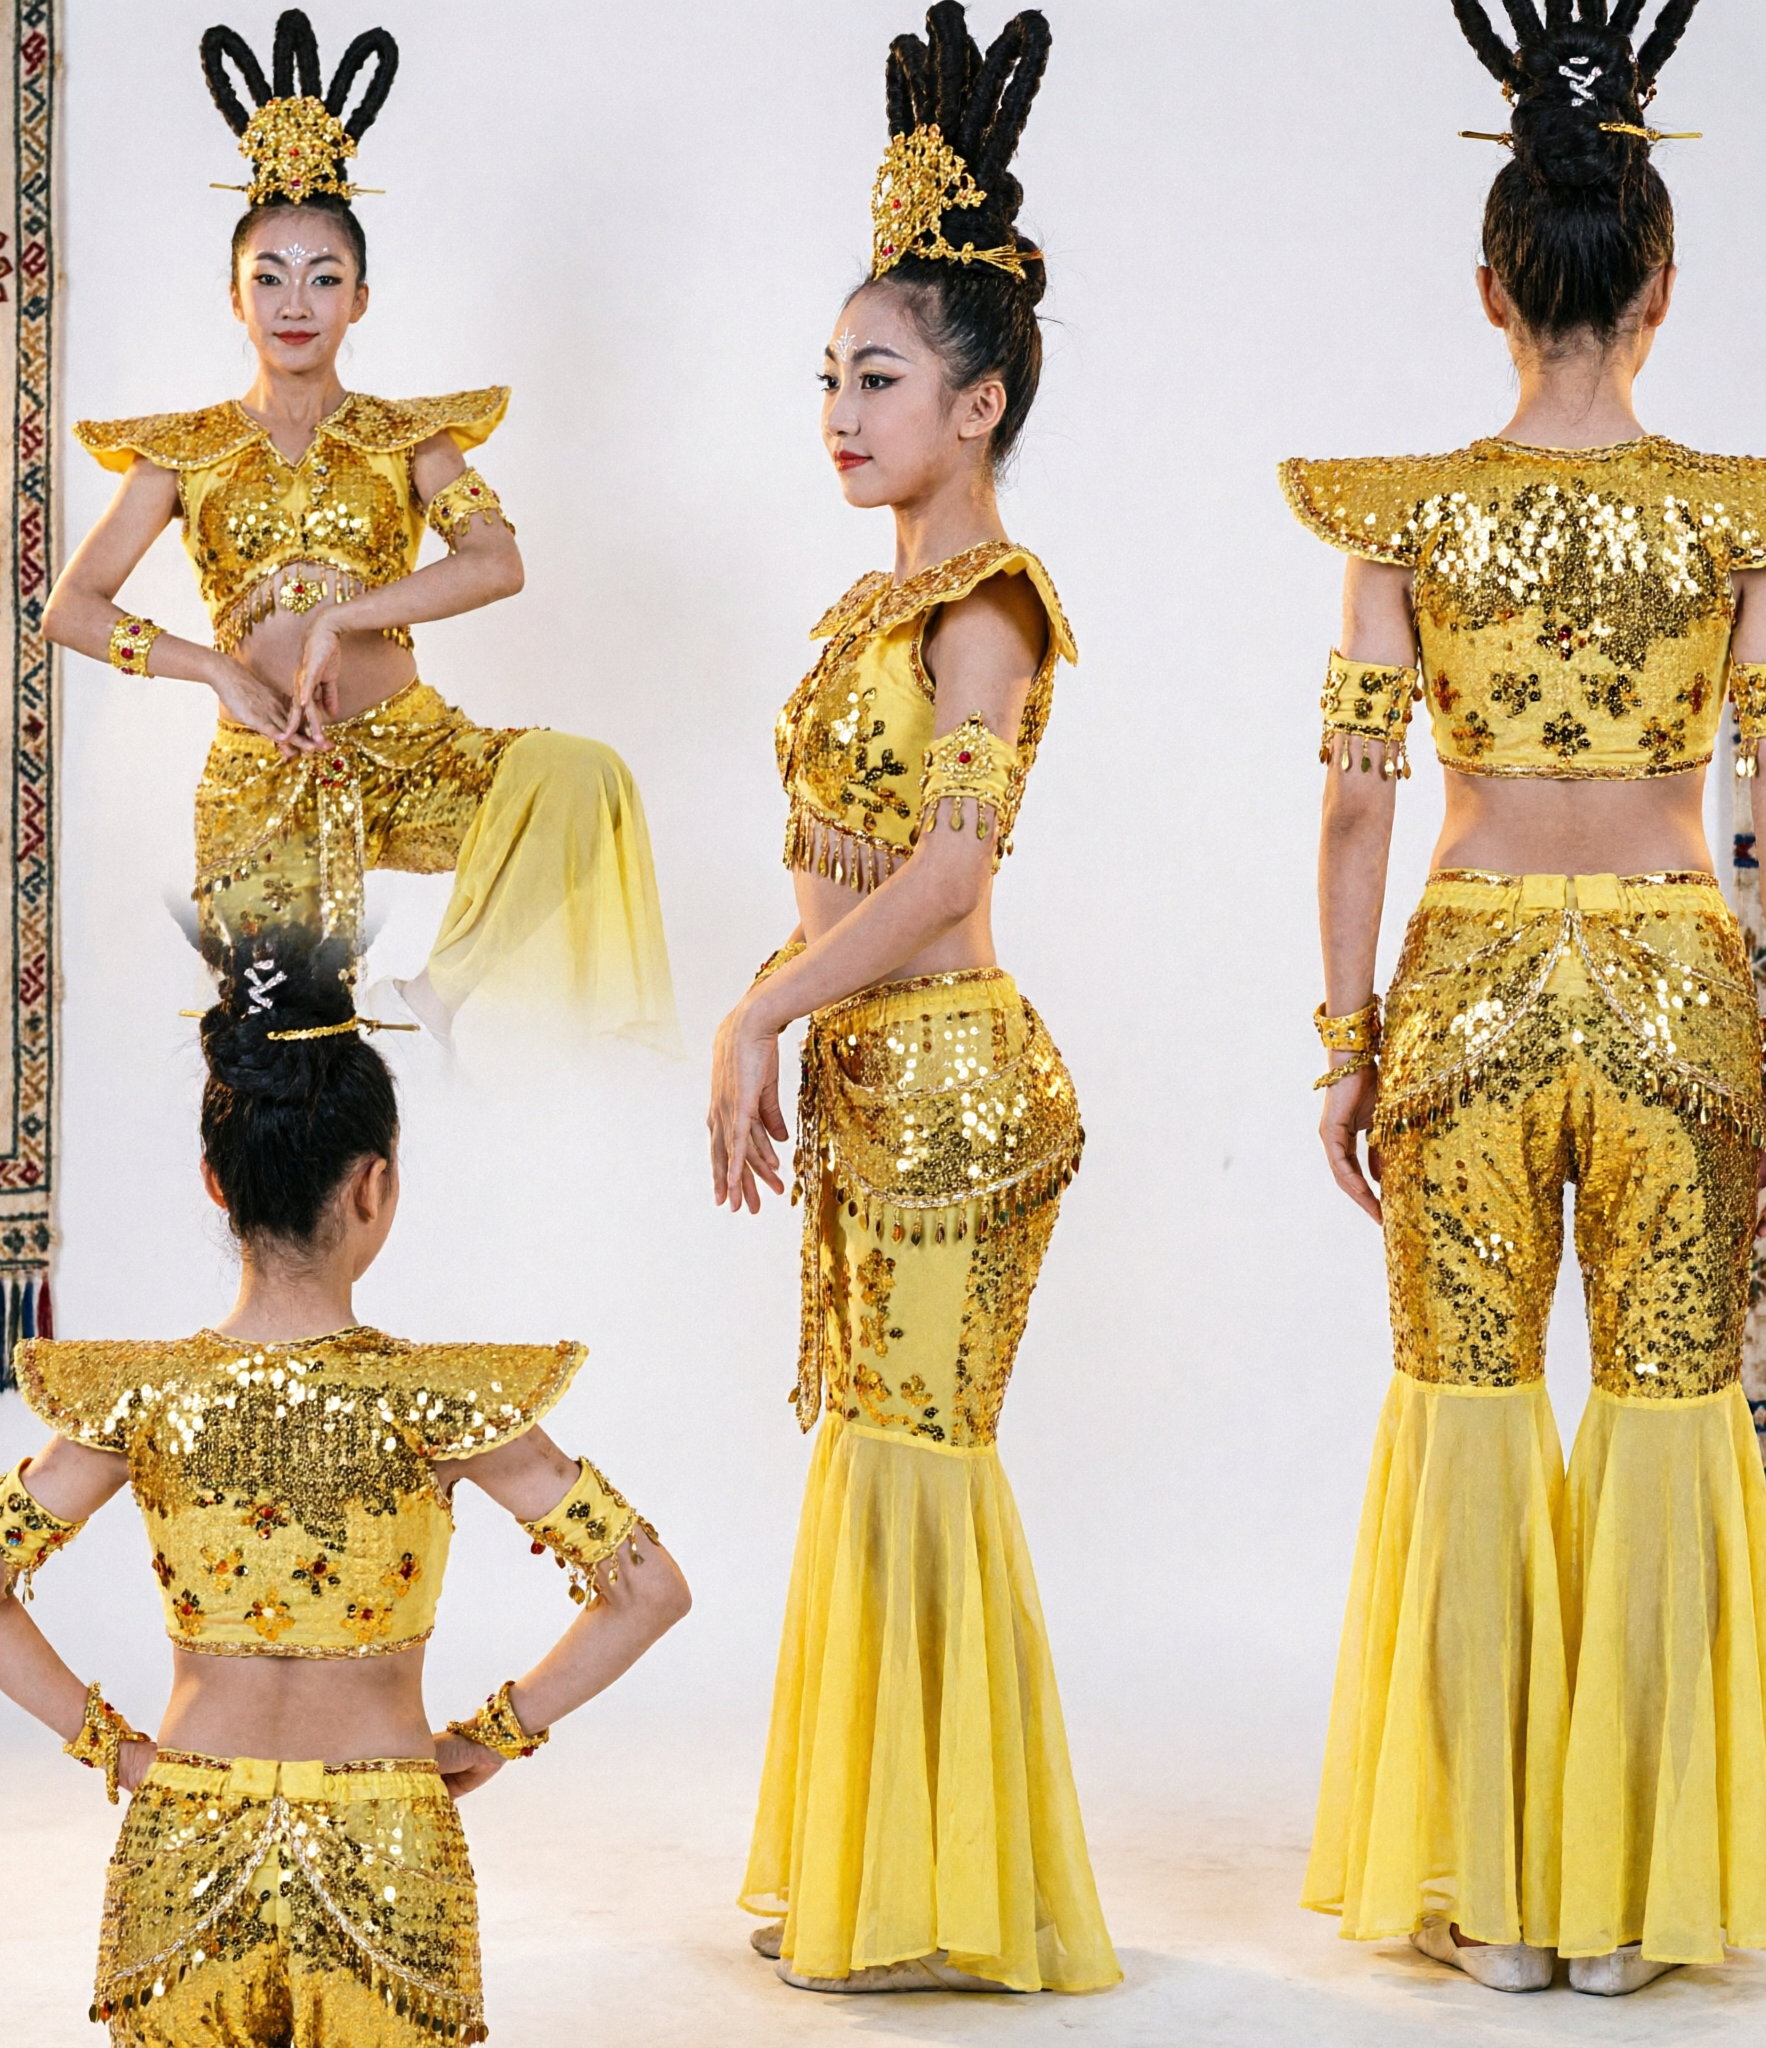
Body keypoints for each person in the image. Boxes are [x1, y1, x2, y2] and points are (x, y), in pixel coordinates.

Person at [1285, 0, 1766, 1999]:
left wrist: (1344, 1041)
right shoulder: (1744, 519)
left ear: (1489, 287)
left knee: (1463, 1410)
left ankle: (1499, 1896)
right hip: (1670, 989)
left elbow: (1355, 795)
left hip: (1462, 985)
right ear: (1657, 287)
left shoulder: (1403, 516)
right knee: (1662, 1406)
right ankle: (1629, 1900)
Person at [0, 936, 690, 2045]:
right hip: (390, 1846)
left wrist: (118, 1752)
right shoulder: (443, 1400)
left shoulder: (142, 1396)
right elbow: (648, 1588)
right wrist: (496, 1732)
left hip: (183, 1844)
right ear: (374, 1184)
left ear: (216, 1182)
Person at [706, 3, 1118, 1997]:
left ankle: (952, 1890)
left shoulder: (985, 608)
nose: (839, 410)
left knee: (919, 1452)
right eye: (827, 376)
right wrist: (783, 1009)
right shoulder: (865, 606)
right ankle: (880, 1869)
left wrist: (757, 1016)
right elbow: (846, 867)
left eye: (875, 377)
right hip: (876, 1081)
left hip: (955, 1088)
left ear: (978, 401)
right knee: (872, 1447)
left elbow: (949, 875)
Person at [41, 10, 675, 1050]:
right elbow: (71, 608)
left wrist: (345, 619)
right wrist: (218, 671)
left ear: (361, 298)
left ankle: (443, 991)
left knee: (580, 774)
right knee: (287, 1063)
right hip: (265, 767)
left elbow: (497, 562)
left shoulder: (408, 437)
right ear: (234, 297)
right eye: (270, 276)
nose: (296, 301)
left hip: (417, 754)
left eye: (324, 275)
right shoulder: (182, 451)